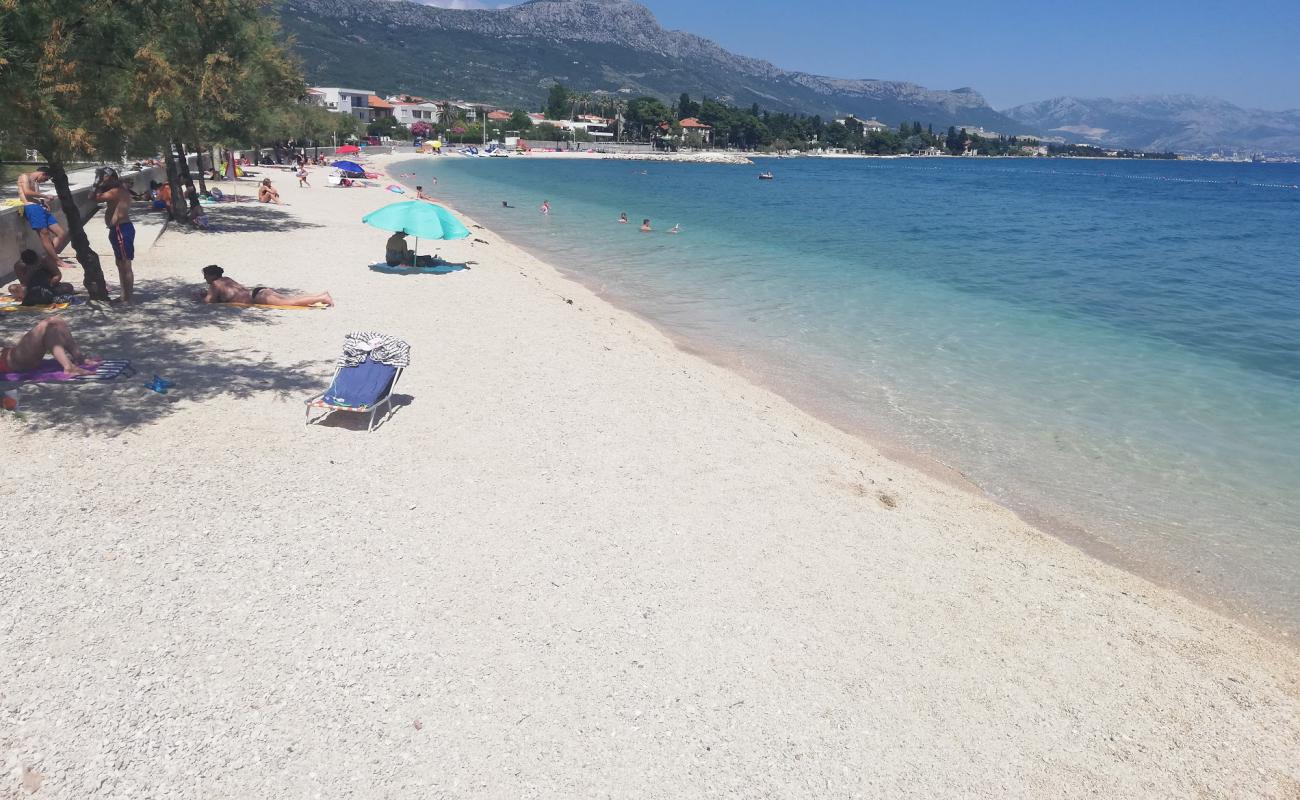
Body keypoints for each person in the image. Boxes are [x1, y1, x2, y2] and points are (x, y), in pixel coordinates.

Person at [92, 172, 136, 303]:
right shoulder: (117, 190)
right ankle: (124, 295)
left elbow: (94, 197)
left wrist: (96, 183)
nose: (102, 181)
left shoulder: (116, 191)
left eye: (103, 178)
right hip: (117, 229)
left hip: (120, 228)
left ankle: (127, 297)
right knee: (120, 263)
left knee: (125, 263)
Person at [197, 265, 333, 307]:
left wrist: (199, 297)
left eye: (206, 276)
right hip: (259, 291)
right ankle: (320, 295)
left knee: (291, 302)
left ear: (212, 276)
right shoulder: (226, 279)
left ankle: (323, 298)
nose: (205, 278)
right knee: (290, 298)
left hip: (257, 297)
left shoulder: (215, 284)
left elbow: (209, 302)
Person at [0, 317, 93, 376]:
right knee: (49, 323)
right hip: (10, 362)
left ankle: (79, 358)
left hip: (10, 355)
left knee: (56, 321)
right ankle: (69, 367)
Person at [16, 166, 70, 267]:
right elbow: (27, 193)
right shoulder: (24, 177)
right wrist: (45, 196)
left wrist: (43, 202)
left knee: (61, 233)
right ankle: (57, 260)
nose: (44, 181)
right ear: (43, 174)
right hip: (31, 208)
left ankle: (49, 258)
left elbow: (34, 196)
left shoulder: (35, 182)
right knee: (44, 235)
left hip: (39, 207)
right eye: (46, 179)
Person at [7, 249, 72, 304]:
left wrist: (50, 284)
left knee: (68, 287)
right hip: (32, 287)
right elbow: (24, 283)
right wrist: (31, 270)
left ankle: (47, 296)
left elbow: (58, 275)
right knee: (15, 289)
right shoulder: (19, 266)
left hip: (49, 285)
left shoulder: (44, 260)